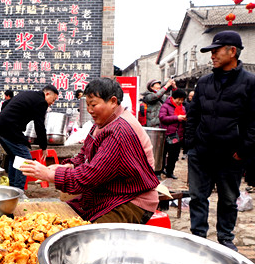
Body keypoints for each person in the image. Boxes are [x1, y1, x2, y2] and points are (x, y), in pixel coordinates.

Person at [21, 78, 159, 223]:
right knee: (57, 220)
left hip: (130, 200)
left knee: (86, 234)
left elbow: (89, 176)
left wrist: (50, 175)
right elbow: (84, 154)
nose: (89, 110)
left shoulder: (119, 131)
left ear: (113, 102)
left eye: (93, 104)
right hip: (108, 193)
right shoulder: (103, 122)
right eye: (87, 105)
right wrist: (70, 165)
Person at [184, 31, 255, 251]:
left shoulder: (253, 83)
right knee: (197, 197)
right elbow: (193, 115)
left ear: (232, 51)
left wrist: (243, 151)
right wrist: (191, 144)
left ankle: (225, 238)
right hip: (201, 151)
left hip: (231, 155)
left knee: (229, 199)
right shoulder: (204, 82)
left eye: (216, 51)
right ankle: (198, 236)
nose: (212, 56)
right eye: (211, 52)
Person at [0, 85, 59, 189]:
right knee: (25, 157)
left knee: (15, 156)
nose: (53, 103)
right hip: (8, 129)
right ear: (47, 94)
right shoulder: (41, 102)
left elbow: (6, 103)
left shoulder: (29, 94)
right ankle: (18, 190)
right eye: (53, 99)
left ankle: (12, 188)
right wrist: (43, 147)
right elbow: (39, 126)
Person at [158, 88, 186, 179]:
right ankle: (159, 171)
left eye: (182, 100)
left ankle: (170, 172)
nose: (180, 101)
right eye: (179, 99)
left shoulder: (182, 108)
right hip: (167, 135)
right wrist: (177, 117)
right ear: (173, 98)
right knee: (162, 155)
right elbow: (162, 118)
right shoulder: (165, 106)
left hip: (177, 136)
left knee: (173, 156)